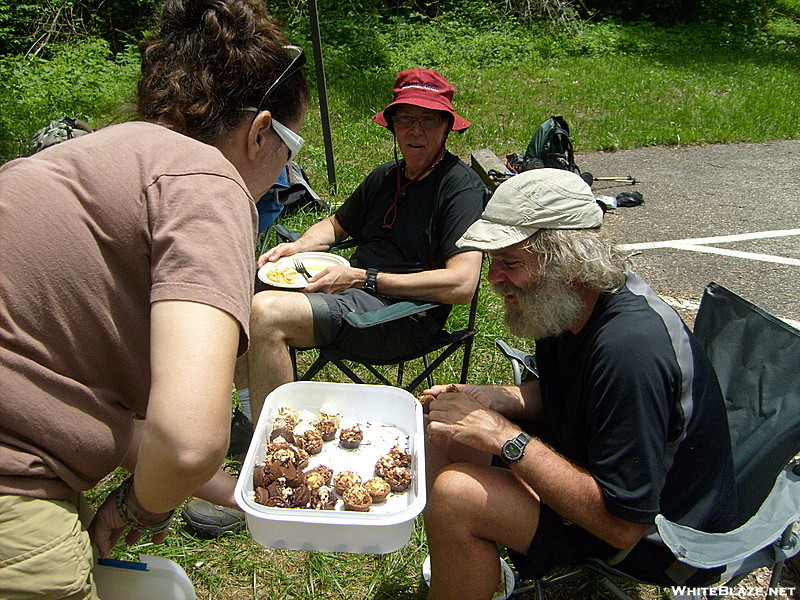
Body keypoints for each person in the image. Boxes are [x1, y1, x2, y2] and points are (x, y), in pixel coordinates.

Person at [0, 0, 308, 597]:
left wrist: (247, 497)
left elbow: (82, 414)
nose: (283, 176)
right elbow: (187, 440)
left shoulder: (68, 163)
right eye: (289, 155)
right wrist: (136, 509)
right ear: (262, 131)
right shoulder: (209, 182)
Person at [182, 67, 487, 535]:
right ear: (392, 126)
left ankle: (278, 474)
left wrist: (365, 277)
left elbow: (462, 284)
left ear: (448, 126)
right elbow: (336, 226)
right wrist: (298, 246)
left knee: (264, 314)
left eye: (429, 120)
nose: (417, 131)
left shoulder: (459, 188)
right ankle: (251, 424)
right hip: (354, 295)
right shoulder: (387, 176)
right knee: (240, 289)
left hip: (398, 317)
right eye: (406, 120)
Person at [422, 169, 739, 600]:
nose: (494, 278)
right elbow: (574, 396)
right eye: (493, 260)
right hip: (595, 469)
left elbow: (623, 525)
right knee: (443, 432)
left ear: (565, 260)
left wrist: (505, 437)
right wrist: (499, 399)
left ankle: (464, 547)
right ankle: (474, 570)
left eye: (510, 263)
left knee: (457, 496)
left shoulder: (630, 352)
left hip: (663, 537)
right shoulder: (564, 302)